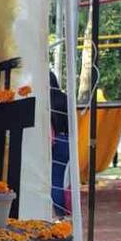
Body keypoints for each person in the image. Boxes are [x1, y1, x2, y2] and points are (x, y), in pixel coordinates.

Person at [49, 71, 71, 216]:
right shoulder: (64, 98)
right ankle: (61, 210)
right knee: (59, 178)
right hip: (65, 140)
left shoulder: (45, 100)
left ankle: (57, 210)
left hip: (52, 140)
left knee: (52, 179)